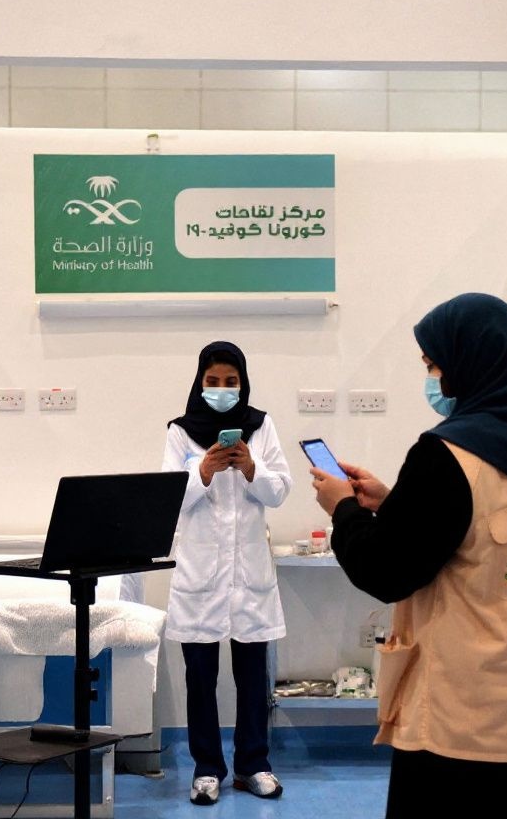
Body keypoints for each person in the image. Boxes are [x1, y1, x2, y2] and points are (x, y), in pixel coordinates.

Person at [309, 293, 507, 818]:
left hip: (470, 727)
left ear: (469, 363)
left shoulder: (445, 456)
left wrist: (343, 510)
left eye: (434, 365)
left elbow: (385, 571)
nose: (433, 380)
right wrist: (395, 504)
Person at [162, 341, 292, 806]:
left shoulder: (261, 426)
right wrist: (202, 471)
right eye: (213, 381)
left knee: (253, 678)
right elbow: (169, 498)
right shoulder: (181, 432)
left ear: (243, 383)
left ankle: (253, 765)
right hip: (201, 577)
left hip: (249, 576)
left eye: (230, 381)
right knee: (200, 679)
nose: (222, 389)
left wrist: (252, 468)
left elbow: (280, 490)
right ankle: (206, 770)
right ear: (200, 382)